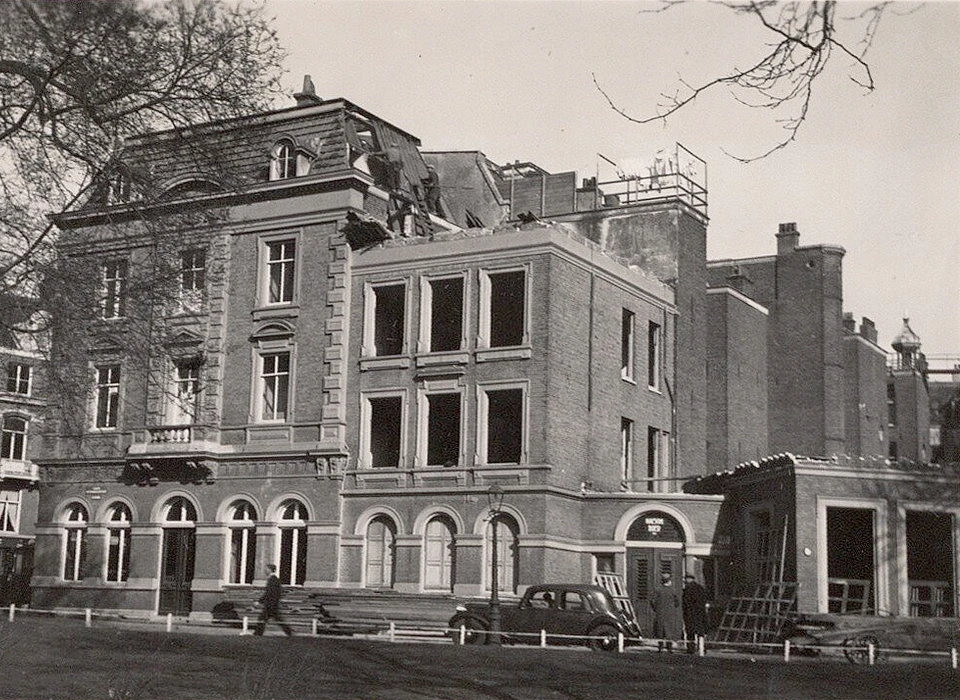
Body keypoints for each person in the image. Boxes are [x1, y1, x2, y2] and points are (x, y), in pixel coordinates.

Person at [253, 564, 293, 637]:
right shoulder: (274, 579)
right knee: (275, 618)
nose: (265, 570)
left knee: (263, 618)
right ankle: (288, 631)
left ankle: (258, 633)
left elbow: (269, 592)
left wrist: (259, 601)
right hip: (272, 603)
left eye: (266, 569)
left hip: (270, 604)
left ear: (270, 570)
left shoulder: (273, 580)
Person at [651, 571, 682, 652]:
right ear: (669, 580)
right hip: (670, 613)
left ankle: (660, 647)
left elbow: (652, 601)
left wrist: (656, 608)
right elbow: (677, 602)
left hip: (660, 613)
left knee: (660, 630)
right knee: (669, 631)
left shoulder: (658, 589)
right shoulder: (672, 590)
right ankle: (669, 647)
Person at [683, 573, 710, 654]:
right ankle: (702, 647)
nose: (685, 581)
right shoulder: (700, 588)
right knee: (700, 631)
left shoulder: (688, 589)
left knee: (690, 632)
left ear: (689, 579)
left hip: (691, 613)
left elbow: (686, 602)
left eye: (686, 579)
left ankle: (691, 648)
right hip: (700, 613)